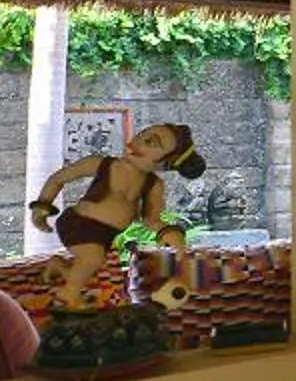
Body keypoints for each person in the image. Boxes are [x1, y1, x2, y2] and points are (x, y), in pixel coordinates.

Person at [29, 122, 206, 310]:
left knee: (90, 265)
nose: (139, 141)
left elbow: (151, 219)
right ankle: (67, 296)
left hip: (106, 235)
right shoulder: (101, 164)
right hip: (80, 222)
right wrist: (42, 206)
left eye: (151, 142)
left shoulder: (153, 185)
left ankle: (58, 267)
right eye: (142, 135)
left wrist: (168, 232)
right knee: (92, 260)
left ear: (164, 162)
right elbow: (59, 178)